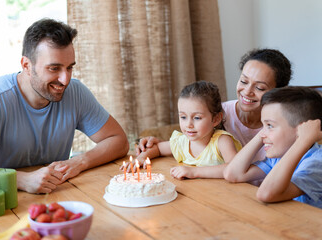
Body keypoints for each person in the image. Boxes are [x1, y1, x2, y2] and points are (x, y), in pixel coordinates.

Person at [0, 18, 129, 194]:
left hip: (57, 195)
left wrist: (79, 161)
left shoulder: (76, 92)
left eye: (69, 68)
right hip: (4, 202)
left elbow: (119, 141)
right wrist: (22, 180)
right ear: (26, 65)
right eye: (54, 68)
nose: (65, 80)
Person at [136, 49, 292, 164]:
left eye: (259, 88)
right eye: (244, 81)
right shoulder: (217, 112)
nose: (247, 91)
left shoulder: (284, 128)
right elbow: (191, 141)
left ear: (278, 92)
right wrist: (155, 143)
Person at [223, 86, 322, 208]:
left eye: (270, 125)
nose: (262, 134)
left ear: (302, 130)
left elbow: (266, 194)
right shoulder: (279, 158)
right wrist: (264, 131)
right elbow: (232, 174)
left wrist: (303, 140)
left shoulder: (317, 162)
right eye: (262, 124)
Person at [123, 81, 242, 179]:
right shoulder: (181, 142)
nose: (189, 124)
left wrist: (194, 172)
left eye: (197, 118)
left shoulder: (222, 141)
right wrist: (141, 158)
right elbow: (158, 148)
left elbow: (233, 168)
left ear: (216, 119)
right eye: (183, 117)